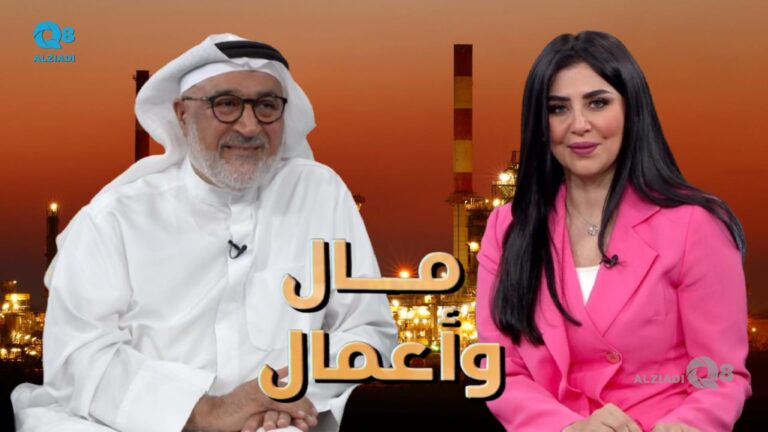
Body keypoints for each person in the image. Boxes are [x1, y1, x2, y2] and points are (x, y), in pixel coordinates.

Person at [11, 34, 397, 432]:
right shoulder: (115, 218)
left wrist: (290, 394)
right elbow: (78, 357)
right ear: (182, 114)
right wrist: (200, 412)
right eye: (226, 104)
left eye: (266, 106)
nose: (249, 125)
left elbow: (369, 331)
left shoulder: (319, 193)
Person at [476, 31, 750, 432]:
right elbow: (497, 368)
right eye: (558, 109)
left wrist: (687, 425)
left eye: (598, 103)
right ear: (540, 124)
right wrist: (567, 428)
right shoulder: (507, 228)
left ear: (631, 109)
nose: (579, 125)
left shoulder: (696, 225)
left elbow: (721, 375)